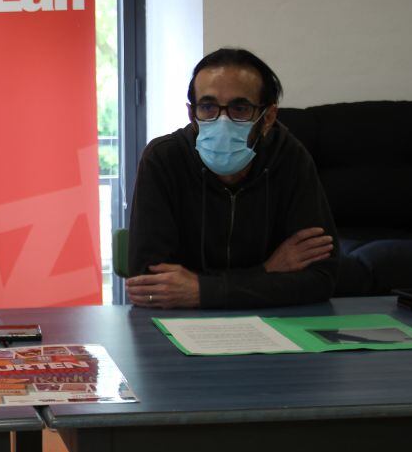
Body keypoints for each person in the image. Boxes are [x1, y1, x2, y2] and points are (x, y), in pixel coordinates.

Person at [125, 47, 338, 310]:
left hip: (274, 327)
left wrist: (203, 291)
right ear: (192, 115)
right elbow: (149, 286)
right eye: (208, 106)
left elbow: (321, 279)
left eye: (239, 108)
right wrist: (267, 271)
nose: (222, 120)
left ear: (268, 117)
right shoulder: (163, 159)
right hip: (178, 328)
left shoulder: (291, 158)